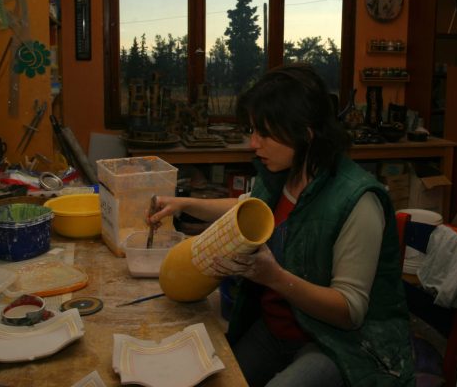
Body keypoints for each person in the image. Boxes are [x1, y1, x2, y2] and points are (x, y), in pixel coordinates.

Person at [148, 64, 415, 386]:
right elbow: (249, 209)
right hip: (277, 328)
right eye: (252, 130)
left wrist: (274, 277)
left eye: (264, 133)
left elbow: (349, 310)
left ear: (305, 133)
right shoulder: (285, 174)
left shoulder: (359, 201)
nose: (253, 144)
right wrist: (185, 204)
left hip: (340, 345)